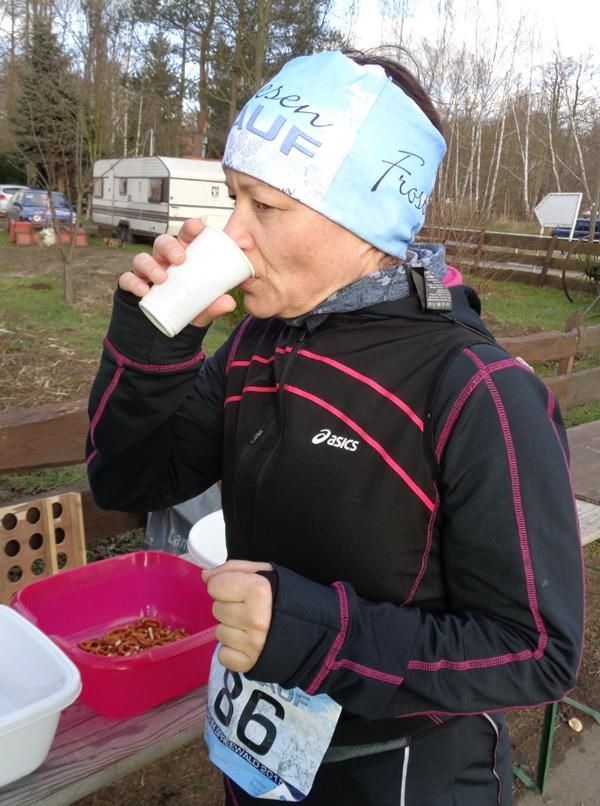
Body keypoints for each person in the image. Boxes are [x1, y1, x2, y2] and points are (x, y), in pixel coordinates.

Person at [87, 49, 584, 805]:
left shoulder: (477, 389)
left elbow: (536, 651)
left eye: (266, 206)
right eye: (232, 196)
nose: (231, 232)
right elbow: (130, 481)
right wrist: (151, 345)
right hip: (259, 761)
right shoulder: (259, 342)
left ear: (363, 221)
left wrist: (312, 633)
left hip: (401, 771)